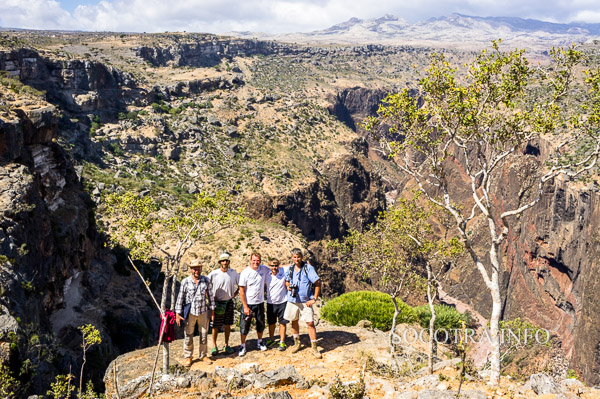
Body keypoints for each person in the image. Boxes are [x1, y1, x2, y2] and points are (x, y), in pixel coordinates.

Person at [175, 259, 215, 366]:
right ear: (190, 270)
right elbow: (180, 298)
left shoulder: (206, 280)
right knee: (188, 334)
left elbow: (210, 296)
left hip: (203, 312)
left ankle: (203, 355)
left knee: (203, 334)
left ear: (201, 269)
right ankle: (188, 356)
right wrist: (178, 314)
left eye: (198, 268)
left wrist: (212, 311)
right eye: (194, 269)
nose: (196, 271)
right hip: (190, 313)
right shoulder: (185, 282)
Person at [284, 248, 322, 358]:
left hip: (306, 301)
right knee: (293, 321)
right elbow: (286, 281)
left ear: (302, 257)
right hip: (292, 300)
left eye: (298, 257)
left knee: (310, 323)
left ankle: (314, 347)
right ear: (292, 258)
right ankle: (297, 343)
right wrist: (289, 287)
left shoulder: (308, 268)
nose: (297, 259)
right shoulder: (290, 269)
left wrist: (314, 298)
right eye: (295, 257)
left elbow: (318, 283)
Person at [238, 252, 270, 356]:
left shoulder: (263, 269)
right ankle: (242, 345)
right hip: (248, 304)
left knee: (260, 324)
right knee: (244, 326)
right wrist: (245, 306)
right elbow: (241, 291)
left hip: (259, 302)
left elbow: (277, 268)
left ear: (260, 261)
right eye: (254, 260)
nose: (256, 262)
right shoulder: (245, 272)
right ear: (250, 261)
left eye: (258, 260)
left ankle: (260, 342)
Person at [207, 252, 239, 356]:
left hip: (229, 301)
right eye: (223, 261)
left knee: (228, 324)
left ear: (229, 262)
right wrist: (211, 297)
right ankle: (214, 346)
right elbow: (206, 286)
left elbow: (241, 284)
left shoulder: (233, 273)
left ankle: (226, 344)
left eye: (226, 261)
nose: (225, 262)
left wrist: (236, 293)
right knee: (215, 325)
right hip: (218, 303)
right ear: (220, 262)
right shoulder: (214, 273)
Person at [265, 258, 289, 351]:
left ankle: (282, 341)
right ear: (269, 266)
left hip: (282, 302)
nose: (274, 268)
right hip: (271, 303)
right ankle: (271, 339)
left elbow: (292, 265)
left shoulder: (283, 271)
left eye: (276, 265)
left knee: (282, 322)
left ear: (279, 266)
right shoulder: (266, 275)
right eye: (272, 266)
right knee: (271, 323)